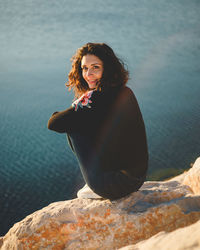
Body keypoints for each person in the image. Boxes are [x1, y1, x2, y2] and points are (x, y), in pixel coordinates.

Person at [47, 43, 148, 200]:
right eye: (85, 68)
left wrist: (78, 104)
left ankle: (93, 186)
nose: (88, 74)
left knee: (73, 126)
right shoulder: (125, 91)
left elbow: (53, 123)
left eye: (95, 67)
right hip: (136, 180)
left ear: (107, 68)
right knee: (85, 121)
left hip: (111, 186)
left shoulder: (96, 98)